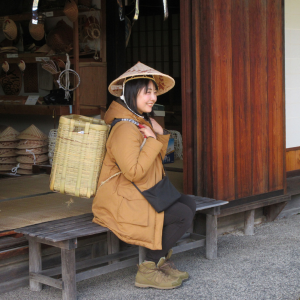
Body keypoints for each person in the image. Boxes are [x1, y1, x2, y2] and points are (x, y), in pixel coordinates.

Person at [92, 62, 196, 289]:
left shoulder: (140, 122)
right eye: (147, 92)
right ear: (131, 93)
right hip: (121, 198)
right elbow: (134, 172)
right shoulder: (124, 128)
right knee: (182, 215)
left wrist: (160, 134)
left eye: (154, 91)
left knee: (188, 203)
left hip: (138, 191)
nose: (153, 97)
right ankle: (148, 269)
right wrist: (152, 139)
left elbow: (156, 160)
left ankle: (161, 261)